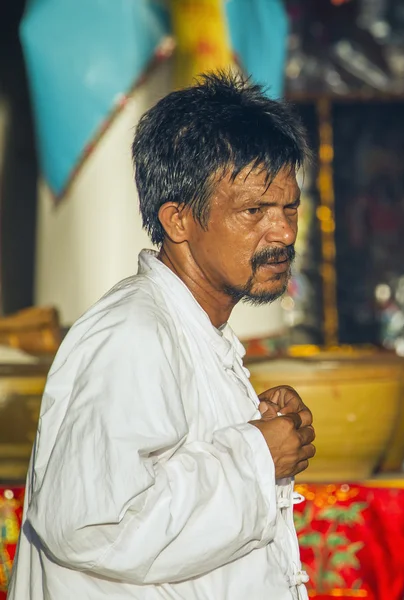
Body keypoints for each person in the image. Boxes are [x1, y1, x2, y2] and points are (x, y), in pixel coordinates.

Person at [8, 72, 316, 600]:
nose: (283, 232)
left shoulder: (192, 330)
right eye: (254, 211)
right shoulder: (131, 334)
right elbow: (92, 526)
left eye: (289, 208)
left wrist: (256, 433)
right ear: (178, 219)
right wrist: (256, 455)